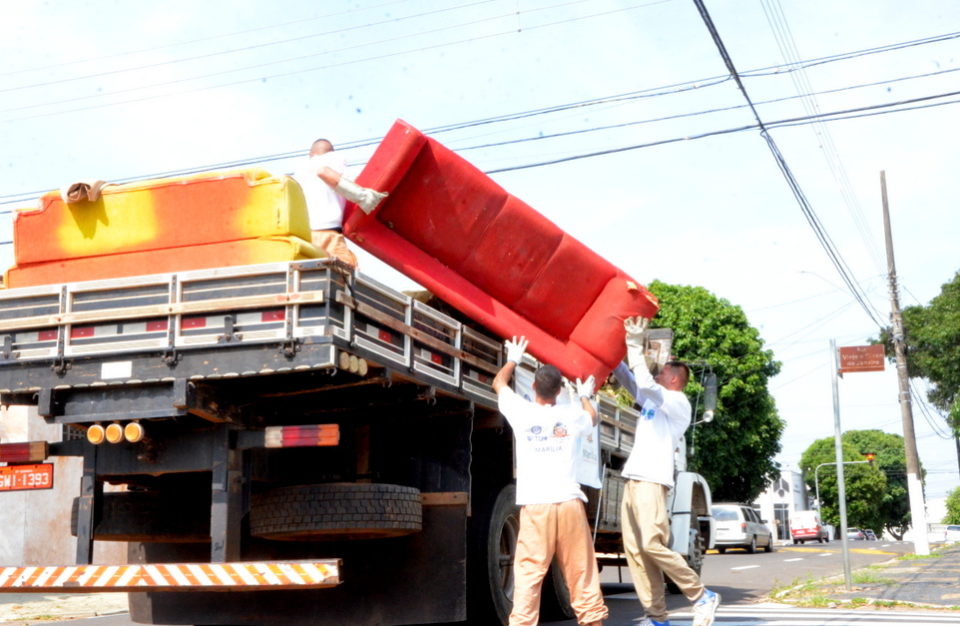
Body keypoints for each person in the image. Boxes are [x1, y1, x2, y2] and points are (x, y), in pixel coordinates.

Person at [492, 336, 608, 626]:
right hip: (569, 504)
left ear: (533, 387)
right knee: (581, 570)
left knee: (530, 572)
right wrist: (584, 394)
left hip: (536, 506)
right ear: (559, 391)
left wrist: (513, 359)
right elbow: (591, 417)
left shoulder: (522, 412)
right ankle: (592, 621)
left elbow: (499, 385)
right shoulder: (571, 415)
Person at [613, 317, 720, 626]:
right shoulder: (654, 400)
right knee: (636, 552)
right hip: (634, 479)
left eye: (665, 369)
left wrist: (635, 344)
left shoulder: (678, 402)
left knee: (652, 544)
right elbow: (633, 382)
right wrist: (615, 358)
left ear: (676, 379)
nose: (659, 370)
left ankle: (701, 595)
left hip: (652, 481)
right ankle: (657, 617)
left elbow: (644, 382)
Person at [292, 138, 387, 269]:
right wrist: (361, 195)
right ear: (330, 152)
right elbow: (323, 171)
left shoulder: (299, 172)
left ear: (311, 154)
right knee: (345, 276)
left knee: (313, 278)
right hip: (328, 235)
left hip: (305, 238)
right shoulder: (332, 158)